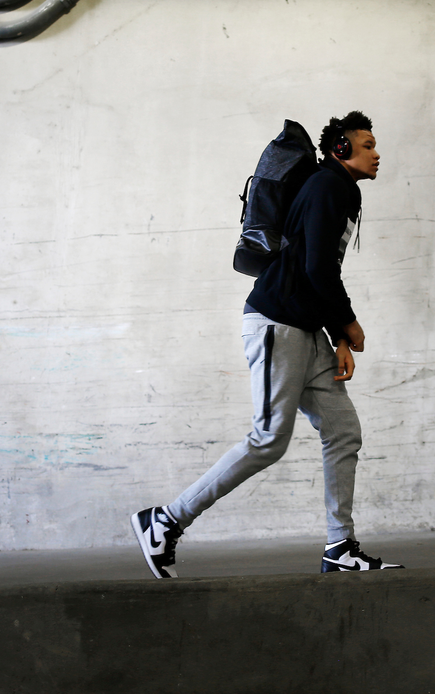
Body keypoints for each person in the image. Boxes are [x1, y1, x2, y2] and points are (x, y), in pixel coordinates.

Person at [131, 111, 403, 577]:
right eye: (368, 144)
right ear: (341, 148)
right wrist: (349, 324)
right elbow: (319, 270)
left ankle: (340, 547)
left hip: (303, 328)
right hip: (279, 323)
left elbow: (316, 270)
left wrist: (335, 335)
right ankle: (167, 520)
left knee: (342, 431)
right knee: (269, 439)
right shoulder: (328, 187)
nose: (377, 154)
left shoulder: (338, 189)